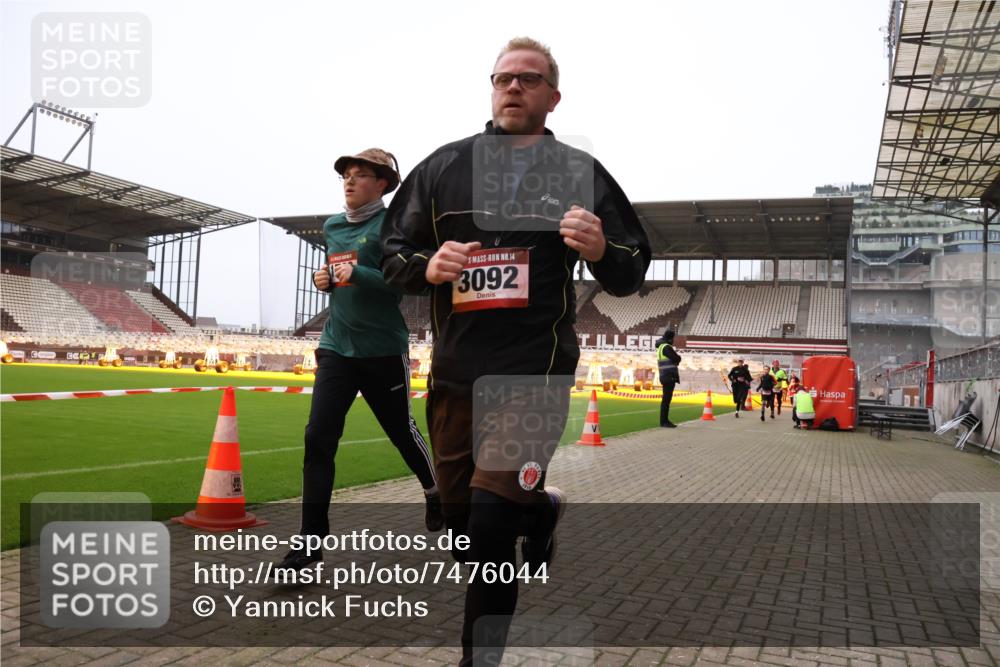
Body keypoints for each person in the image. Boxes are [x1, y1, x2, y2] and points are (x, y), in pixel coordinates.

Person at [380, 37, 651, 666]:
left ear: (553, 97)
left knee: (490, 528)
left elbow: (632, 270)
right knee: (463, 528)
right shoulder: (444, 167)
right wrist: (428, 263)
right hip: (455, 374)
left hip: (534, 371)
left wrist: (601, 248)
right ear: (491, 87)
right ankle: (540, 510)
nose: (513, 87)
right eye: (503, 77)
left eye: (529, 80)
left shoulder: (580, 174)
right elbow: (391, 253)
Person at [278, 148, 442, 574]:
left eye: (360, 175)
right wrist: (326, 281)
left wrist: (360, 275)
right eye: (346, 176)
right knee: (318, 438)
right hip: (336, 347)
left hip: (383, 350)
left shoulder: (394, 227)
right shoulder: (333, 227)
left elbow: (407, 285)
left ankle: (433, 490)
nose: (349, 182)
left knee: (401, 432)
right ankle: (309, 546)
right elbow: (339, 273)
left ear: (383, 183)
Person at [656, 330, 682, 427]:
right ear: (670, 338)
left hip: (664, 375)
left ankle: (664, 421)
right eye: (673, 338)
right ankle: (664, 422)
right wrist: (678, 359)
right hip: (669, 376)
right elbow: (676, 358)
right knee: (666, 401)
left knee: (665, 400)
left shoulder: (660, 347)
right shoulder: (666, 347)